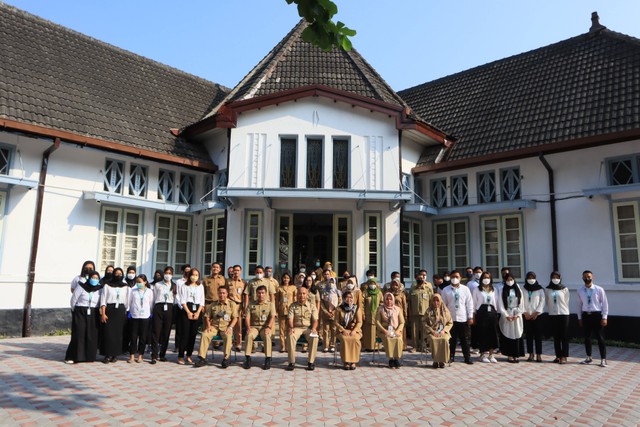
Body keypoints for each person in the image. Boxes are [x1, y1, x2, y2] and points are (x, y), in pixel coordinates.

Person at [194, 286, 238, 369]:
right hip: (214, 326)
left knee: (228, 336)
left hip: (226, 327)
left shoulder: (232, 304)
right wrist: (208, 326)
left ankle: (226, 358)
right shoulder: (213, 304)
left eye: (223, 293)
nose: (222, 295)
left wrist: (230, 327)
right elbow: (207, 316)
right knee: (204, 334)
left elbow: (235, 318)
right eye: (220, 293)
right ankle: (202, 358)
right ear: (217, 294)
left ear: (227, 294)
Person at [65, 270, 103, 363]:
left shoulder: (100, 289)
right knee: (79, 334)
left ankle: (89, 357)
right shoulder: (81, 286)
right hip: (80, 311)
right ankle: (73, 357)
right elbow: (73, 300)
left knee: (92, 335)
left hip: (94, 312)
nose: (94, 279)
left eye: (96, 278)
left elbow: (101, 301)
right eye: (93, 278)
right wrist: (76, 311)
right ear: (89, 278)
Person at [440, 270, 474, 364]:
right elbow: (443, 305)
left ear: (460, 278)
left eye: (457, 277)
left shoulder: (465, 289)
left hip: (463, 318)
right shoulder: (446, 290)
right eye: (453, 277)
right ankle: (451, 356)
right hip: (451, 319)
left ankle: (467, 357)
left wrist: (470, 316)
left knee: (465, 339)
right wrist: (444, 319)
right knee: (452, 339)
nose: (455, 279)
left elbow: (469, 303)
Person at [577, 270, 609, 367]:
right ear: (582, 278)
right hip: (586, 316)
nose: (587, 278)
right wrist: (579, 318)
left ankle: (603, 359)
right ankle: (589, 357)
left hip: (597, 315)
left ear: (592, 277)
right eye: (585, 276)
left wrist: (604, 317)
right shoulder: (580, 290)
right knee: (587, 338)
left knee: (600, 338)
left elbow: (604, 304)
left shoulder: (599, 289)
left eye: (589, 276)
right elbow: (579, 305)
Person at [99, 267, 129, 363]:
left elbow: (128, 301)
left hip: (120, 311)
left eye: (120, 274)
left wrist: (126, 312)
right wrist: (103, 313)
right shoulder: (107, 285)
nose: (118, 275)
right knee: (108, 333)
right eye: (116, 273)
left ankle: (115, 355)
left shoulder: (125, 286)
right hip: (110, 310)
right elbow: (103, 300)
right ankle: (107, 355)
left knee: (118, 334)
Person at [285, 286, 319, 371]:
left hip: (308, 328)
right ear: (297, 295)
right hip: (296, 327)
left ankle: (311, 362)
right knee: (290, 336)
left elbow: (315, 319)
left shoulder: (312, 306)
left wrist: (314, 328)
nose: (302, 295)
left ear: (307, 295)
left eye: (304, 293)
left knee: (315, 337)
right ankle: (291, 362)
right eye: (300, 293)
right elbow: (290, 318)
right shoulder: (293, 306)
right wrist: (291, 327)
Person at [176, 268, 204, 364]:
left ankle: (189, 355)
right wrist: (188, 312)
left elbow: (202, 300)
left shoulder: (200, 286)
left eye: (197, 275)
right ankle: (180, 356)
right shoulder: (184, 286)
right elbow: (182, 300)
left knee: (193, 334)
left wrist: (198, 312)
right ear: (189, 275)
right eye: (193, 274)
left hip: (197, 309)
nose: (195, 277)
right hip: (187, 308)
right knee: (185, 334)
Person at [244, 285, 275, 370]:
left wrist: (269, 327)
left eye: (262, 293)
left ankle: (268, 358)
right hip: (254, 327)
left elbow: (272, 316)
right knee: (249, 335)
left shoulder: (270, 304)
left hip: (265, 327)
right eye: (259, 293)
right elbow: (247, 317)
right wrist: (248, 328)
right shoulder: (251, 304)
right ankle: (247, 358)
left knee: (267, 336)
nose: (261, 295)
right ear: (256, 294)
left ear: (266, 294)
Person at [150, 266, 176, 363]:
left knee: (166, 332)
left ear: (172, 275)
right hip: (158, 307)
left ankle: (162, 354)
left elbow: (175, 298)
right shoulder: (157, 285)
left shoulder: (174, 285)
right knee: (155, 332)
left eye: (170, 273)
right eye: (166, 273)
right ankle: (154, 355)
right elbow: (154, 298)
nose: (167, 275)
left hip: (169, 308)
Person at [472, 272, 499, 363]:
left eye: (488, 277)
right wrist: (473, 315)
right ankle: (482, 354)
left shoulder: (493, 289)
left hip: (492, 312)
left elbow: (496, 302)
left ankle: (491, 354)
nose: (486, 279)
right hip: (481, 313)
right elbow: (474, 303)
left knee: (492, 333)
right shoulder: (477, 289)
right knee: (482, 333)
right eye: (484, 277)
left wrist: (496, 313)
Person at [498, 273, 525, 363]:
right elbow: (500, 304)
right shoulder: (502, 290)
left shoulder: (518, 289)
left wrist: (518, 314)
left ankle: (516, 354)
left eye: (511, 279)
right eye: (508, 280)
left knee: (516, 334)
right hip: (507, 314)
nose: (510, 282)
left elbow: (521, 302)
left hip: (516, 314)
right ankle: (509, 354)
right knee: (508, 334)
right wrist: (506, 315)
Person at [127, 274, 154, 363]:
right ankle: (131, 355)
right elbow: (129, 302)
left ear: (145, 282)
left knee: (143, 337)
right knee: (133, 337)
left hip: (145, 316)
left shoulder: (149, 291)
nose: (138, 284)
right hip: (135, 316)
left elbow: (151, 303)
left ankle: (140, 355)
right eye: (137, 282)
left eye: (140, 282)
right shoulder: (133, 291)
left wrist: (151, 313)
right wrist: (129, 312)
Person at [545, 271, 570, 364]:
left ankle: (564, 356)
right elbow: (547, 301)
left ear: (560, 278)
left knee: (564, 335)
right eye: (553, 277)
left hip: (563, 314)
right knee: (556, 336)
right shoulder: (547, 289)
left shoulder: (564, 289)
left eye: (557, 277)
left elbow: (566, 301)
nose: (555, 279)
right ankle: (558, 355)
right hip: (553, 314)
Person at [334, 290, 362, 370]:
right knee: (345, 339)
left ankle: (353, 361)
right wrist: (343, 330)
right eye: (347, 297)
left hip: (354, 330)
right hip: (342, 330)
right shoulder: (339, 309)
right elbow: (336, 322)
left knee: (355, 339)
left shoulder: (356, 308)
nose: (349, 299)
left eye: (350, 297)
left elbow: (359, 322)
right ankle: (346, 361)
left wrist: (355, 330)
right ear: (343, 298)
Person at [375, 292, 405, 369]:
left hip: (395, 330)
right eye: (387, 299)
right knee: (388, 338)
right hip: (383, 330)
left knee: (398, 339)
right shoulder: (380, 309)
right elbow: (377, 322)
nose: (389, 301)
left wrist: (398, 331)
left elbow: (402, 322)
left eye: (391, 299)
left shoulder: (397, 309)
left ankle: (396, 358)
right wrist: (385, 331)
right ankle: (391, 359)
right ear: (384, 300)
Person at [424, 294, 453, 368]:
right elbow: (424, 323)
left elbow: (450, 323)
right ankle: (436, 360)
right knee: (433, 340)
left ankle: (442, 360)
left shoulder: (445, 310)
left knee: (444, 339)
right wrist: (432, 331)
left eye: (437, 300)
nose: (436, 302)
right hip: (432, 332)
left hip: (443, 332)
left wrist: (443, 331)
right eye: (434, 301)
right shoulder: (428, 311)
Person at [523, 271, 545, 362]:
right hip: (527, 316)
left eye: (532, 278)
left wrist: (536, 313)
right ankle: (531, 354)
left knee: (538, 336)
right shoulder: (523, 289)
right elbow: (521, 301)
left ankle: (539, 355)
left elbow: (542, 301)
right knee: (529, 336)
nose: (531, 280)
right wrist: (525, 312)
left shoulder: (540, 289)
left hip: (537, 316)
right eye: (529, 278)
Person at [408, 271, 432, 353]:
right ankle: (414, 347)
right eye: (418, 278)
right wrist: (409, 313)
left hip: (425, 314)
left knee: (424, 331)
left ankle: (423, 347)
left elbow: (431, 302)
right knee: (414, 331)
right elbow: (409, 301)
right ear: (416, 279)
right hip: (414, 313)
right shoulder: (412, 289)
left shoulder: (428, 289)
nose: (420, 279)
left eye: (421, 278)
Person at [320, 275, 342, 352]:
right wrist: (326, 312)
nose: (331, 283)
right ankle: (325, 345)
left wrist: (334, 310)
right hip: (326, 314)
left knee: (333, 329)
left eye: (332, 282)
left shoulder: (338, 292)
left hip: (334, 314)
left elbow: (340, 303)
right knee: (326, 330)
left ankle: (332, 345)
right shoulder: (324, 291)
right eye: (330, 282)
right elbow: (321, 303)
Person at [227, 265, 246, 351]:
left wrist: (244, 307)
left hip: (239, 305)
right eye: (234, 270)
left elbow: (245, 296)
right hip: (230, 305)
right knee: (229, 324)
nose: (236, 272)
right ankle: (229, 343)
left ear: (240, 271)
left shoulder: (243, 282)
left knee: (238, 325)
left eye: (238, 270)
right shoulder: (228, 282)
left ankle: (238, 344)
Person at [276, 273, 297, 352]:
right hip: (281, 310)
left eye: (287, 278)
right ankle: (282, 346)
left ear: (290, 279)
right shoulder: (279, 288)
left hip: (291, 311)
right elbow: (276, 300)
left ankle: (289, 346)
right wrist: (276, 311)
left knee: (290, 329)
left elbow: (295, 300)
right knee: (282, 330)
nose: (286, 279)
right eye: (284, 278)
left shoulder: (293, 288)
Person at [361, 272, 381, 352]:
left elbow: (382, 303)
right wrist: (363, 313)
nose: (372, 285)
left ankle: (377, 346)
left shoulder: (379, 293)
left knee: (377, 332)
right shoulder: (365, 292)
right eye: (370, 283)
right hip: (368, 315)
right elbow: (362, 304)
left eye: (373, 283)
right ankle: (367, 346)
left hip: (377, 315)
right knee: (367, 332)